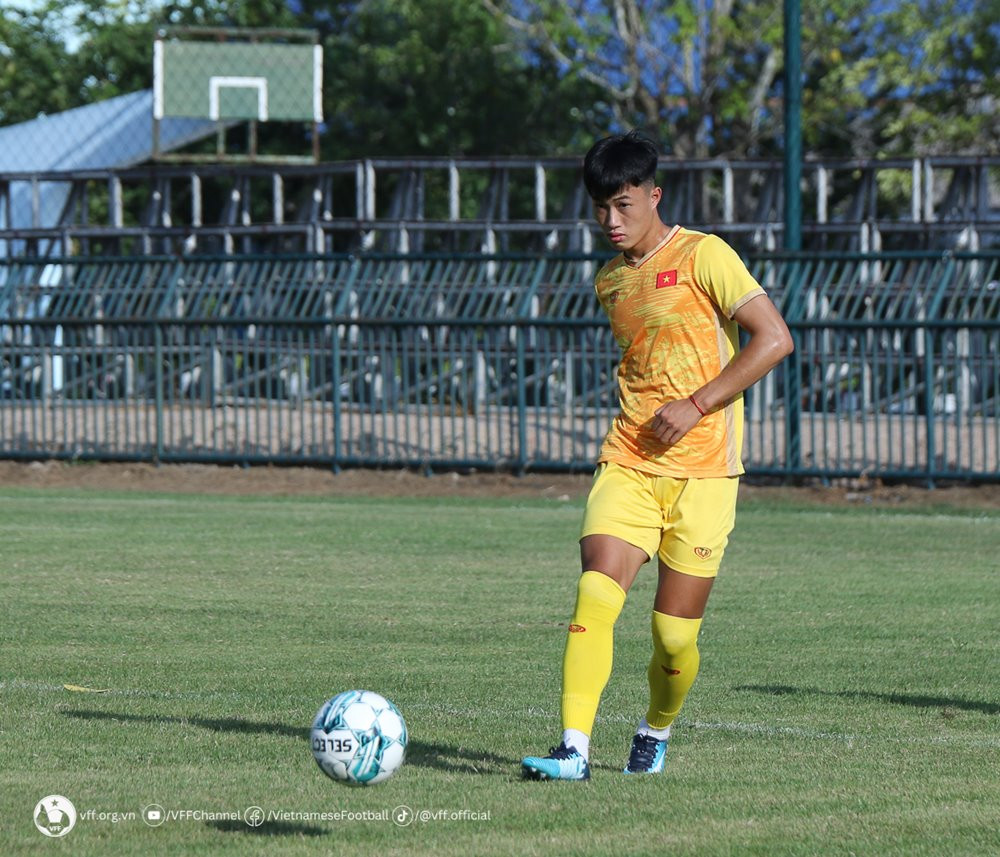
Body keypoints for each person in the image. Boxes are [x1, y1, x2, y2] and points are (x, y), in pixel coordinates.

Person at [521, 130, 794, 780]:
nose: (610, 221)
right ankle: (574, 749)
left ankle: (656, 727)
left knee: (674, 637)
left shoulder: (706, 256)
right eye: (600, 208)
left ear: (653, 194)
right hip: (630, 460)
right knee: (595, 593)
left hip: (705, 474)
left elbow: (774, 338)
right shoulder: (610, 283)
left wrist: (697, 405)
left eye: (623, 205)